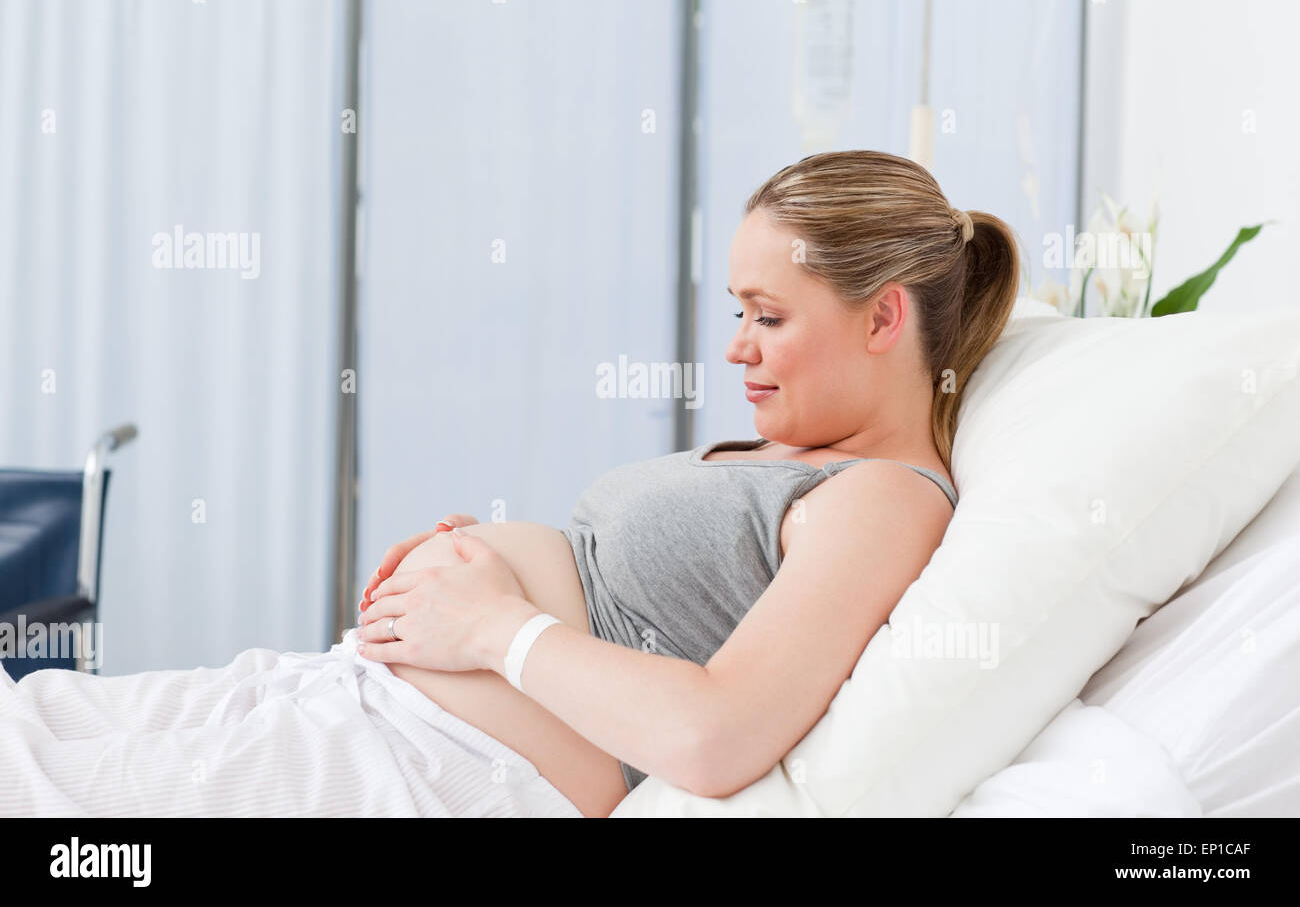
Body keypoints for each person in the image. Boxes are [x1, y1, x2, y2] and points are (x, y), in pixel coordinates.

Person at [1, 150, 1020, 818]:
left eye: (768, 315)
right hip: (347, 700)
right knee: (28, 727)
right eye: (737, 312)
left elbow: (715, 734)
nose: (736, 346)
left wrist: (491, 624)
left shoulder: (885, 496)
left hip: (427, 767)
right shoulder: (790, 455)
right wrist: (472, 580)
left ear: (884, 319)